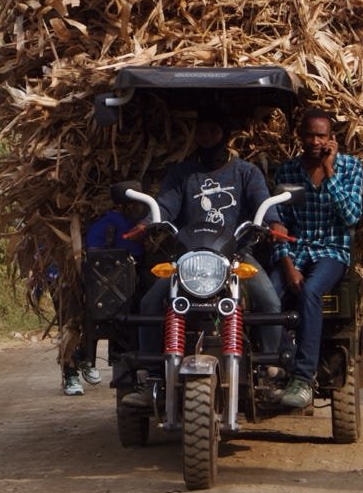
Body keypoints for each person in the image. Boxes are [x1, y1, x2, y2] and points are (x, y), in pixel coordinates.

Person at [118, 112, 284, 409]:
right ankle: (152, 378)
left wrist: (274, 222)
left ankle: (269, 371)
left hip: (235, 257)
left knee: (269, 301)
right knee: (150, 304)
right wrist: (148, 221)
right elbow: (166, 206)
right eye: (201, 133)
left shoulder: (246, 172)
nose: (206, 138)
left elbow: (262, 201)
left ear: (225, 134)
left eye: (212, 131)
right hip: (189, 260)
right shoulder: (182, 173)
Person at [271, 109, 363, 413]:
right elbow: (278, 226)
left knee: (312, 291)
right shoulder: (287, 172)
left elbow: (351, 216)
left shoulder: (350, 167)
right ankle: (275, 364)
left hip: (332, 251)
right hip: (295, 251)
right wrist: (287, 266)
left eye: (321, 136)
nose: (315, 140)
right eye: (309, 135)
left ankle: (303, 377)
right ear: (300, 137)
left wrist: (328, 171)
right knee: (267, 297)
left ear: (331, 139)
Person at [61, 205, 141, 397]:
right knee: (74, 317)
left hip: (113, 282)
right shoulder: (113, 221)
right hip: (78, 272)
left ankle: (85, 359)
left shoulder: (139, 215)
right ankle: (71, 369)